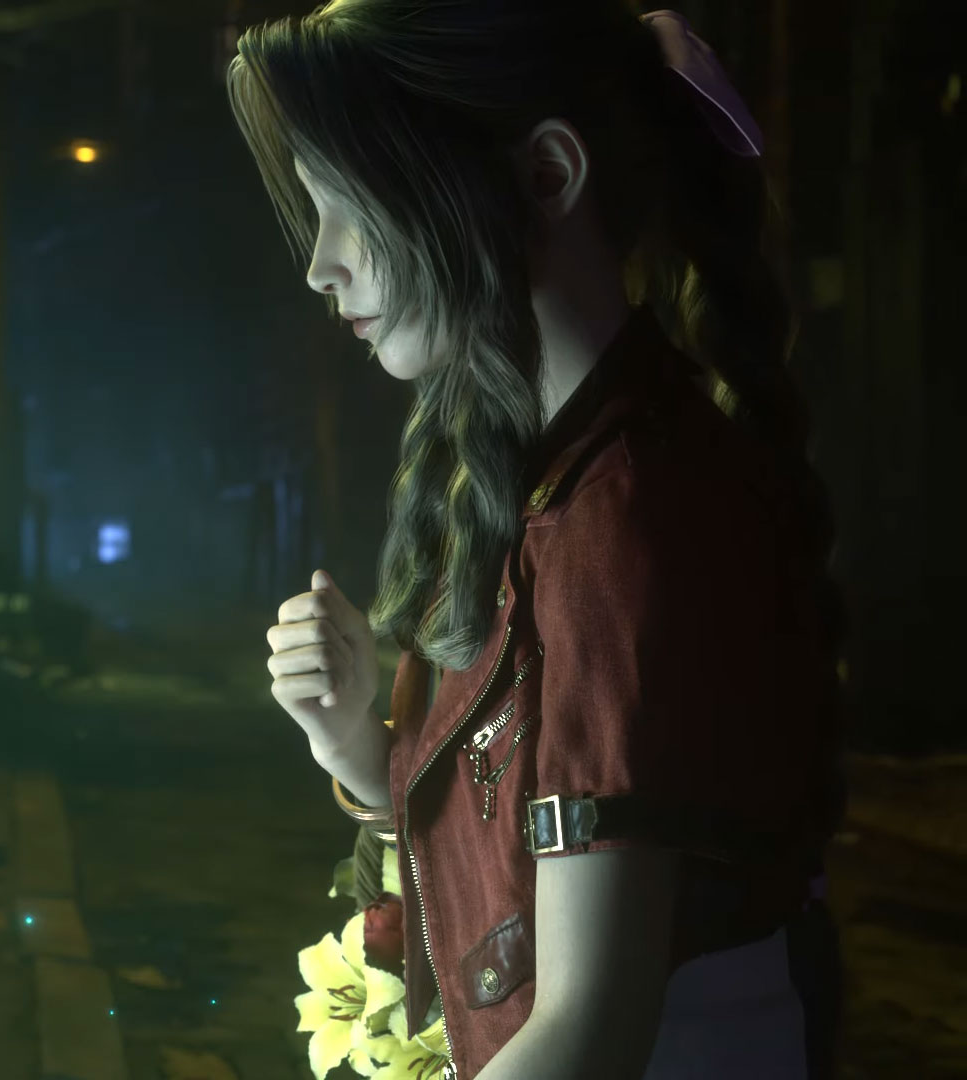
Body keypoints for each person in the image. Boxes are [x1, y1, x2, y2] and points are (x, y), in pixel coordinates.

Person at [240, 2, 848, 1078]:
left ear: (546, 176)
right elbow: (514, 876)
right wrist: (360, 752)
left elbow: (585, 1032)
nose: (320, 265)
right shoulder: (552, 480)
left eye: (352, 205)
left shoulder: (622, 518)